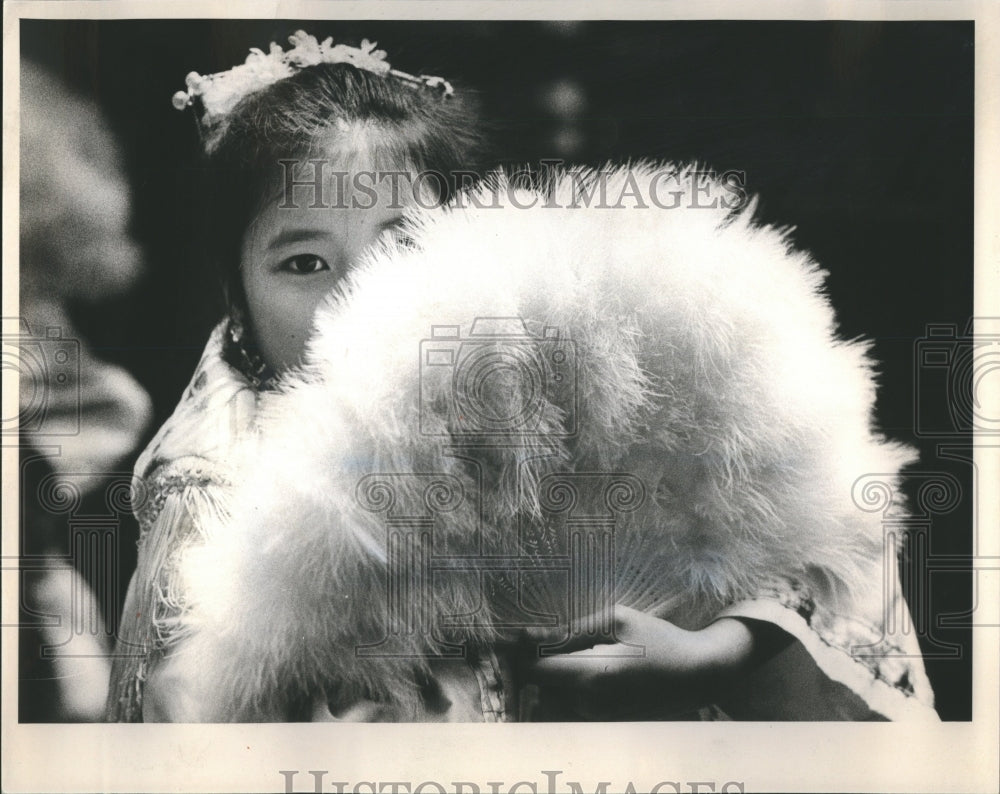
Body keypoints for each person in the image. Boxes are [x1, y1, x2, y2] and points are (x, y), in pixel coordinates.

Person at [108, 31, 938, 723]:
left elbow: (822, 523)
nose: (362, 296)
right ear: (235, 296)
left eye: (404, 246)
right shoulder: (207, 490)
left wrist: (716, 650)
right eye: (304, 261)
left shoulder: (557, 366)